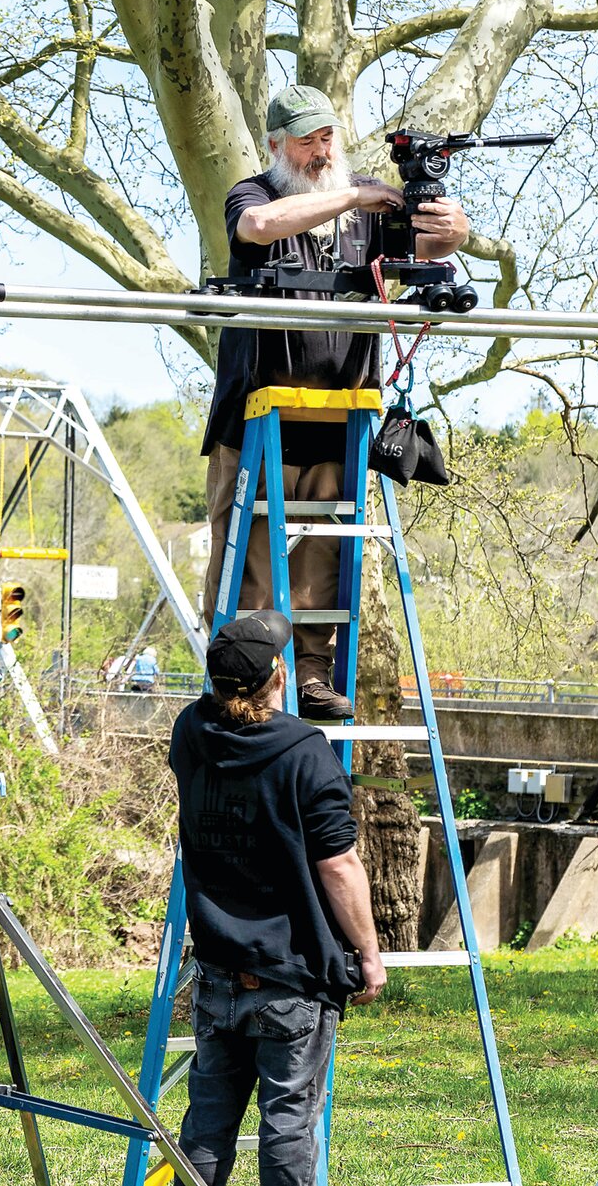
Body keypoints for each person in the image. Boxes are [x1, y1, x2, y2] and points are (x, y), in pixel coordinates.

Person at [200, 83, 470, 720]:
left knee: (326, 549)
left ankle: (314, 675)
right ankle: (243, 682)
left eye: (328, 139)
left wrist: (453, 232)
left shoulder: (369, 205)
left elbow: (425, 249)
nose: (321, 152)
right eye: (307, 141)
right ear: (275, 146)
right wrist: (349, 195)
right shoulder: (256, 193)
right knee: (250, 556)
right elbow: (259, 228)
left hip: (337, 413)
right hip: (255, 418)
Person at [168, 609, 387, 1185]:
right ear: (279, 677)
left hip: (217, 967)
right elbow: (338, 866)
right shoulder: (304, 751)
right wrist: (368, 951)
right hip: (291, 976)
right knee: (289, 1125)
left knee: (207, 1124)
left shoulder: (190, 731)